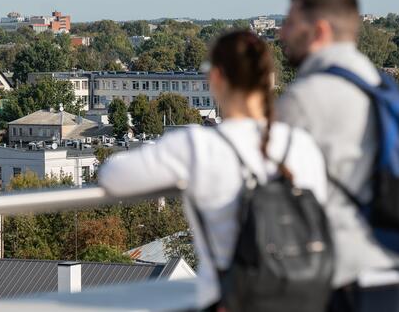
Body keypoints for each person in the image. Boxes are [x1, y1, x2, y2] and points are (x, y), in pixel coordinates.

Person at [98, 30, 327, 310]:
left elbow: (112, 176)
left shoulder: (199, 145)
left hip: (232, 301)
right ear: (269, 80)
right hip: (306, 299)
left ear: (216, 78)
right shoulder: (303, 145)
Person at [277, 0, 399, 312]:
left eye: (290, 23)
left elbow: (273, 192)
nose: (282, 33)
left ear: (320, 30)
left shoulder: (306, 97)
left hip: (347, 282)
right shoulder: (381, 84)